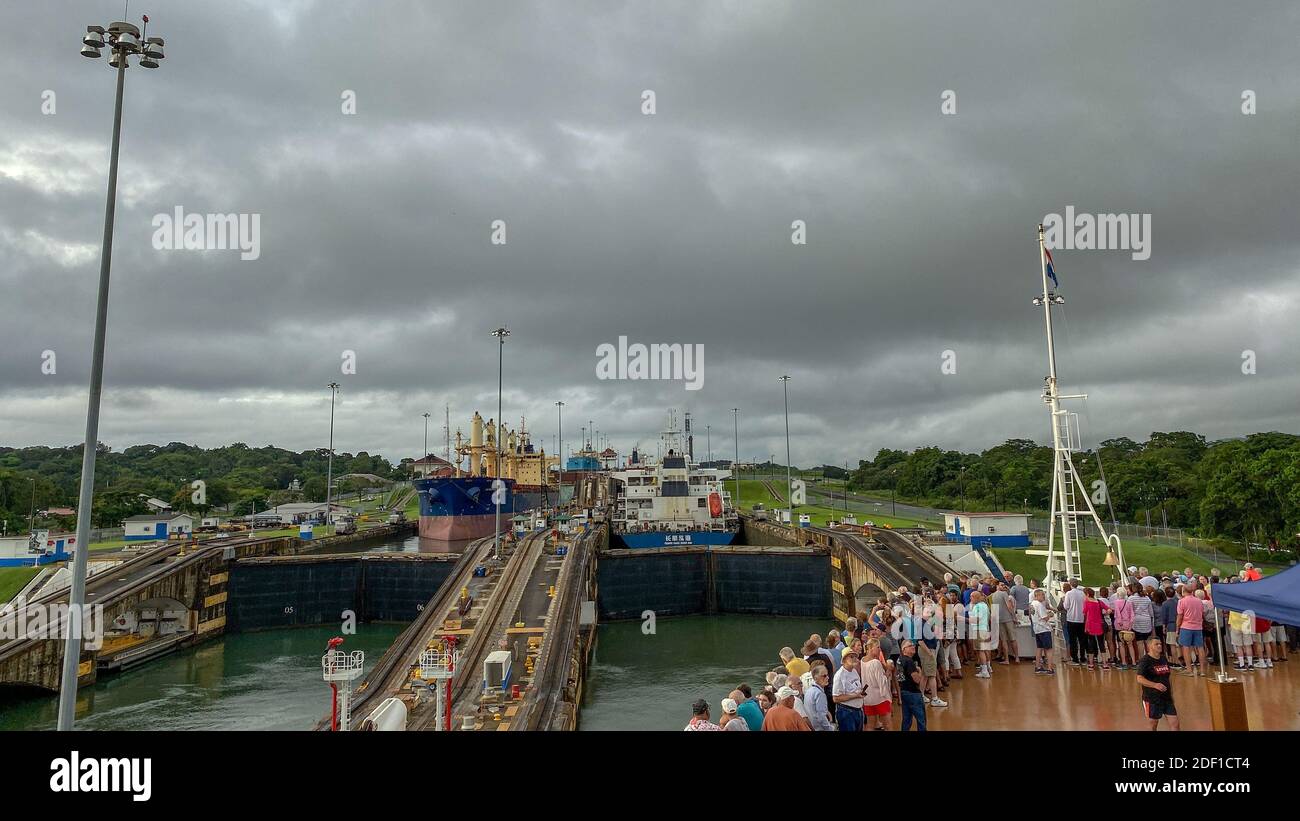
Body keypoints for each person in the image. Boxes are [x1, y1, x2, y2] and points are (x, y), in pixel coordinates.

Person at [1135, 637, 1180, 731]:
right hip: (1152, 699)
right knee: (1153, 726)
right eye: (1156, 644)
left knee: (1175, 724)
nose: (1159, 646)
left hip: (1167, 698)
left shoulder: (1163, 658)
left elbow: (1168, 676)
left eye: (1160, 644)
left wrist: (1171, 693)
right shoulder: (1145, 660)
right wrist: (1155, 685)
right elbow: (1139, 678)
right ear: (1149, 646)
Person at [860, 638, 893, 730]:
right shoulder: (876, 663)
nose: (880, 650)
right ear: (870, 648)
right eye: (878, 647)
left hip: (868, 699)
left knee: (870, 725)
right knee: (888, 725)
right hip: (880, 698)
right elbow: (882, 683)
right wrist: (889, 670)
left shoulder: (862, 661)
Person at [1176, 583, 1207, 676]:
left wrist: (1177, 628)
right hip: (1198, 627)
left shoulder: (1181, 601)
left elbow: (1180, 616)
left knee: (1186, 648)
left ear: (1183, 591)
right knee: (1200, 648)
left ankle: (1189, 670)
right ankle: (1202, 670)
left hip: (1186, 627)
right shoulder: (1199, 601)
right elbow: (1202, 613)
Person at [897, 640, 927, 731]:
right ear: (904, 649)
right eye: (910, 646)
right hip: (913, 693)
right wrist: (920, 671)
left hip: (904, 691)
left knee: (906, 719)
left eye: (913, 645)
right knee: (921, 719)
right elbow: (917, 680)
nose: (913, 646)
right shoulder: (909, 661)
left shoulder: (899, 660)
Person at [832, 648, 865, 731]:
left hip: (858, 710)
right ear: (844, 660)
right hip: (846, 712)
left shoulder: (854, 671)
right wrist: (855, 696)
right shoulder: (839, 675)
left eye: (855, 656)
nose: (854, 658)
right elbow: (836, 698)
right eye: (851, 656)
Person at [1082, 586, 1111, 670]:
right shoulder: (1099, 601)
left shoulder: (1086, 602)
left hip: (1090, 625)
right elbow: (1109, 610)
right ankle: (1104, 663)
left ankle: (1091, 663)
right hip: (1099, 625)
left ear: (1087, 594)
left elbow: (1084, 612)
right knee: (1101, 644)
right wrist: (1105, 614)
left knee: (1091, 644)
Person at [1029, 588, 1056, 674]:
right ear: (1036, 596)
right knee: (1049, 649)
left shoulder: (1032, 604)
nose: (1044, 596)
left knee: (1039, 648)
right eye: (1042, 595)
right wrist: (1050, 614)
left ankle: (1037, 666)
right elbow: (1044, 617)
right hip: (1044, 628)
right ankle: (1050, 668)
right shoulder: (1039, 605)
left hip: (1037, 629)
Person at [991, 583, 1019, 664]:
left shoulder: (993, 596)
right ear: (997, 586)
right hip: (1008, 618)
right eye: (1001, 585)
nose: (1003, 586)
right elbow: (1009, 606)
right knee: (1013, 638)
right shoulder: (1004, 594)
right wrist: (1014, 617)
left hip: (999, 619)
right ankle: (1017, 657)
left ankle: (1006, 659)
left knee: (1004, 640)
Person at [969, 590, 993, 678]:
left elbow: (977, 619)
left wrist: (965, 619)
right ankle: (988, 667)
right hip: (985, 629)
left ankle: (984, 671)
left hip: (979, 630)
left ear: (976, 597)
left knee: (980, 651)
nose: (970, 598)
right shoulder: (985, 606)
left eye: (971, 596)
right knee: (985, 649)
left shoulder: (977, 607)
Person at [1111, 587, 1136, 670]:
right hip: (1128, 625)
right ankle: (1134, 662)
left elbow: (1117, 615)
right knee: (1130, 644)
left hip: (1119, 626)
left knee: (1121, 644)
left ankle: (1124, 662)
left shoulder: (1116, 603)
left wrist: (1120, 624)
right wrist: (1130, 625)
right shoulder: (1128, 602)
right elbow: (1132, 615)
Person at [1063, 580, 1087, 666]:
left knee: (1073, 640)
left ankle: (1075, 658)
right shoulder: (1082, 594)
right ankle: (1083, 657)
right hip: (1081, 619)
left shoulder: (1068, 594)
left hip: (1071, 619)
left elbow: (1066, 606)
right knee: (1082, 639)